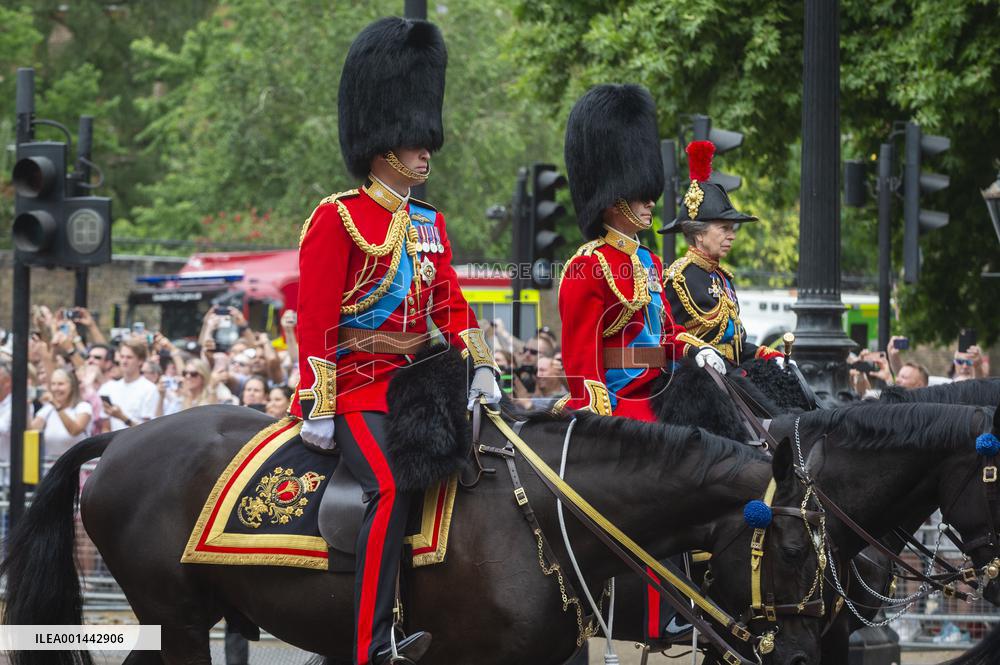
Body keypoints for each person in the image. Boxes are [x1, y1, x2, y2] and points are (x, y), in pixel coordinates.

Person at [291, 17, 500, 665]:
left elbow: (450, 303)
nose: (424, 151)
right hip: (357, 386)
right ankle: (371, 644)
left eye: (424, 141)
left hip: (418, 385)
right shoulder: (339, 216)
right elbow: (315, 315)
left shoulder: (429, 224)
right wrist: (318, 398)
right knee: (388, 486)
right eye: (413, 142)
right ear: (383, 146)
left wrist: (483, 364)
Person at [558, 84, 686, 420]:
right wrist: (597, 417)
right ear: (613, 198)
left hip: (664, 388)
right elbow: (582, 357)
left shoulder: (648, 261)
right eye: (639, 194)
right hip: (623, 400)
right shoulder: (587, 266)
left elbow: (667, 334)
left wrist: (698, 351)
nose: (650, 202)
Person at [661, 141, 784, 370]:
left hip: (732, 376)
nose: (732, 236)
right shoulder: (678, 278)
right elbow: (665, 337)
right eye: (724, 228)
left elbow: (736, 346)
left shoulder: (723, 279)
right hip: (696, 381)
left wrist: (770, 356)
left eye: (732, 229)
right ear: (698, 234)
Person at [31, 368, 93, 461]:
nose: (56, 388)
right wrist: (28, 404)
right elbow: (30, 430)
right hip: (52, 468)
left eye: (61, 384)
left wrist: (56, 405)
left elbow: (74, 431)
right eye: (53, 384)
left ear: (72, 386)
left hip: (78, 467)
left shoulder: (83, 407)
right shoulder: (48, 409)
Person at [98, 340, 159, 431]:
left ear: (140, 361)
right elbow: (105, 427)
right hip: (114, 443)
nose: (124, 361)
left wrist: (122, 417)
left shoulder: (150, 389)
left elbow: (148, 431)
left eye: (129, 357)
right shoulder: (108, 387)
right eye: (122, 357)